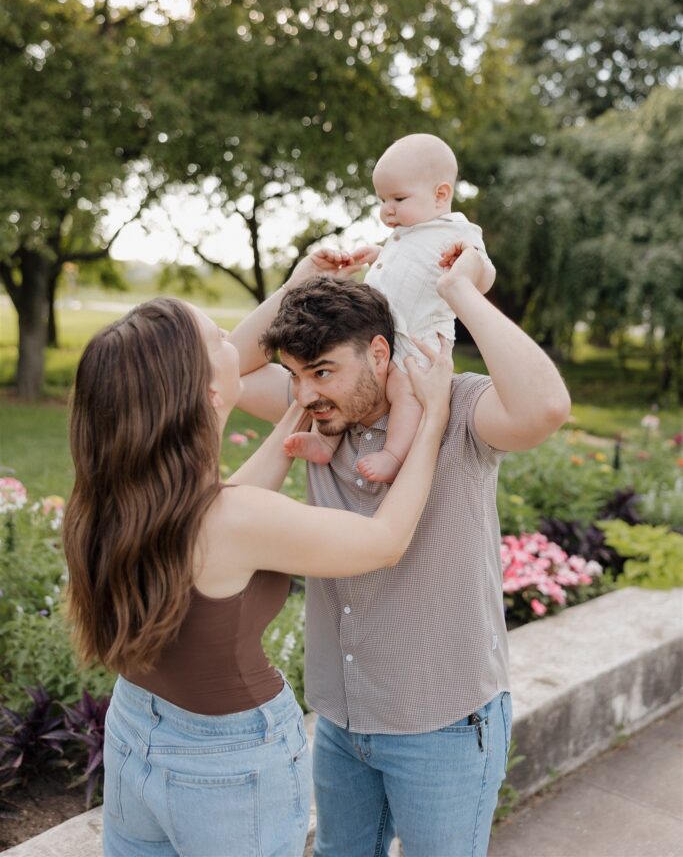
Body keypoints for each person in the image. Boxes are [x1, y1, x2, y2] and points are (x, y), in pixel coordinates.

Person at [61, 293, 452, 857]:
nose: (236, 340)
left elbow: (230, 504)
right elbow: (384, 542)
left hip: (136, 730)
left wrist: (306, 395)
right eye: (219, 336)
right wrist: (434, 415)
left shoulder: (115, 497)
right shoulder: (231, 520)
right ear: (210, 393)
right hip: (225, 762)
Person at [233, 242, 571, 857]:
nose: (305, 394)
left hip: (441, 725)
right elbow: (225, 371)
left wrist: (462, 293)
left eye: (323, 371)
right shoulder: (318, 408)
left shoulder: (459, 404)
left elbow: (546, 407)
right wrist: (299, 281)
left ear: (381, 351)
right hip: (341, 719)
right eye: (296, 375)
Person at [283, 132, 496, 483]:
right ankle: (325, 443)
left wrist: (470, 264)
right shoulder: (406, 233)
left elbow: (485, 276)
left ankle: (393, 455)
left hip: (416, 342)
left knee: (405, 392)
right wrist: (378, 255)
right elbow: (408, 271)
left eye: (398, 198)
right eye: (382, 199)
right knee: (347, 386)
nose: (387, 209)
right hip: (378, 334)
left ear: (440, 195)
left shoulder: (456, 231)